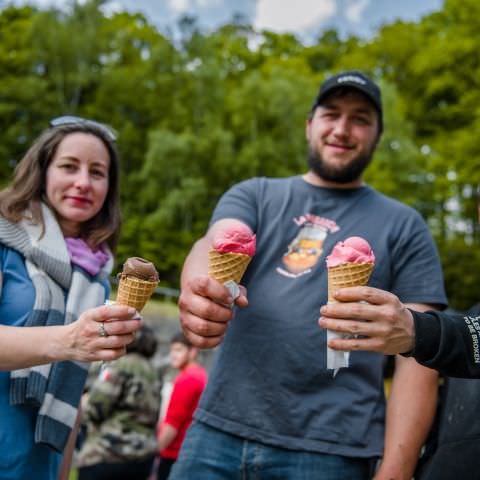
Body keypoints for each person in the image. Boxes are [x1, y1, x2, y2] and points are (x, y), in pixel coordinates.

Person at [173, 70, 448, 480]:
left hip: (332, 449)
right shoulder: (256, 194)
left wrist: (396, 470)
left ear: (376, 135)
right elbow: (211, 243)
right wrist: (198, 289)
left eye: (360, 119)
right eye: (331, 113)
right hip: (217, 429)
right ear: (309, 125)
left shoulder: (405, 225)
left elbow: (419, 358)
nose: (342, 129)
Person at [0, 116, 141, 480]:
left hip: (38, 463)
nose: (83, 182)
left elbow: (72, 392)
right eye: (68, 166)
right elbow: (70, 348)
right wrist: (69, 341)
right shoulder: (4, 238)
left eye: (97, 172)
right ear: (42, 171)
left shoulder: (97, 278)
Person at [76, 324, 162, 480]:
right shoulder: (153, 371)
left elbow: (96, 407)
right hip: (142, 458)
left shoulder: (121, 364)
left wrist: (85, 402)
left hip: (108, 453)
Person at [156, 332, 208, 480]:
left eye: (178, 350)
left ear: (193, 351)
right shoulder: (201, 375)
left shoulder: (187, 380)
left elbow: (172, 424)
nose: (173, 355)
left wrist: (154, 453)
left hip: (173, 454)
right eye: (172, 350)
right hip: (189, 452)